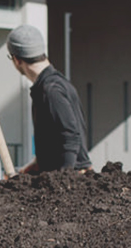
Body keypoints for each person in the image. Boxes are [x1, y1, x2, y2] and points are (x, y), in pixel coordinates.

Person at [7, 24, 91, 173]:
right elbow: (53, 143)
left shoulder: (51, 90)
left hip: (72, 178)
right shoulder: (49, 86)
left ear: (16, 60)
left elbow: (70, 137)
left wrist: (64, 182)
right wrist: (26, 172)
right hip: (56, 175)